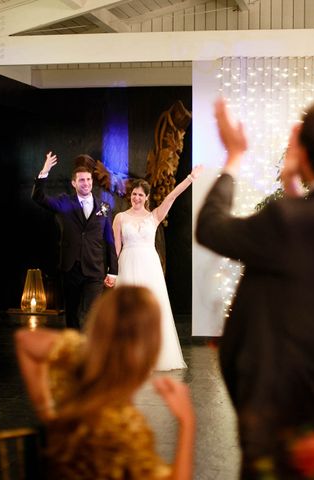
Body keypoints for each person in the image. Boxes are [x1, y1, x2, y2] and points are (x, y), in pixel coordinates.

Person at [195, 98, 314, 478]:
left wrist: (234, 156)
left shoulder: (286, 221)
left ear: (305, 153)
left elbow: (210, 226)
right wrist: (292, 184)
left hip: (279, 406)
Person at [15, 286, 195, 479]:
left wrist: (47, 414)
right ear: (150, 346)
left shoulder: (75, 353)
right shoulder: (125, 427)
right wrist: (187, 422)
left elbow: (24, 339)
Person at [113, 168, 201, 371]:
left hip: (149, 266)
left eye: (140, 195)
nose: (136, 197)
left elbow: (172, 196)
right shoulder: (120, 218)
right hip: (127, 263)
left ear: (146, 197)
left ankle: (151, 355)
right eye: (134, 194)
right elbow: (115, 249)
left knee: (150, 310)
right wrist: (113, 272)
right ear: (130, 195)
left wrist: (190, 178)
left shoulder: (154, 216)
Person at [32, 152, 118, 329]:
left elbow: (109, 240)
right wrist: (44, 171)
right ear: (74, 183)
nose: (86, 183)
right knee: (72, 314)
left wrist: (113, 270)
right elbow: (38, 197)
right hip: (70, 268)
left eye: (88, 179)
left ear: (92, 181)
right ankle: (75, 350)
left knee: (92, 312)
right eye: (81, 180)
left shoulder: (104, 207)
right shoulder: (65, 202)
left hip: (94, 268)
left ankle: (90, 351)